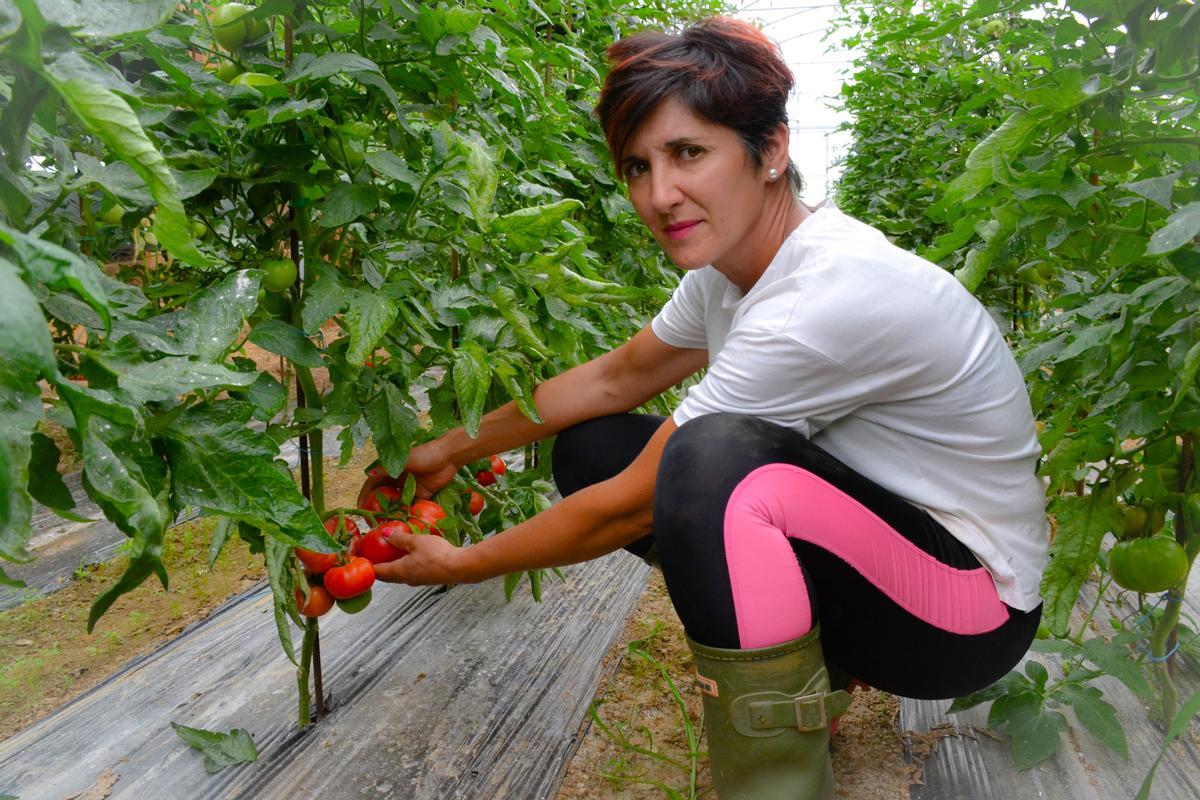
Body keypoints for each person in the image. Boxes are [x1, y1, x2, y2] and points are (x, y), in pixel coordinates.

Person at [360, 17, 1047, 800]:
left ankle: (778, 784)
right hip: (890, 553)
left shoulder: (823, 294)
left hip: (968, 614)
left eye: (689, 153)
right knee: (593, 447)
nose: (659, 195)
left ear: (772, 151)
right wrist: (450, 448)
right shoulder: (732, 274)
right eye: (637, 165)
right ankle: (813, 675)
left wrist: (465, 562)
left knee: (711, 463)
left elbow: (629, 507)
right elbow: (616, 380)